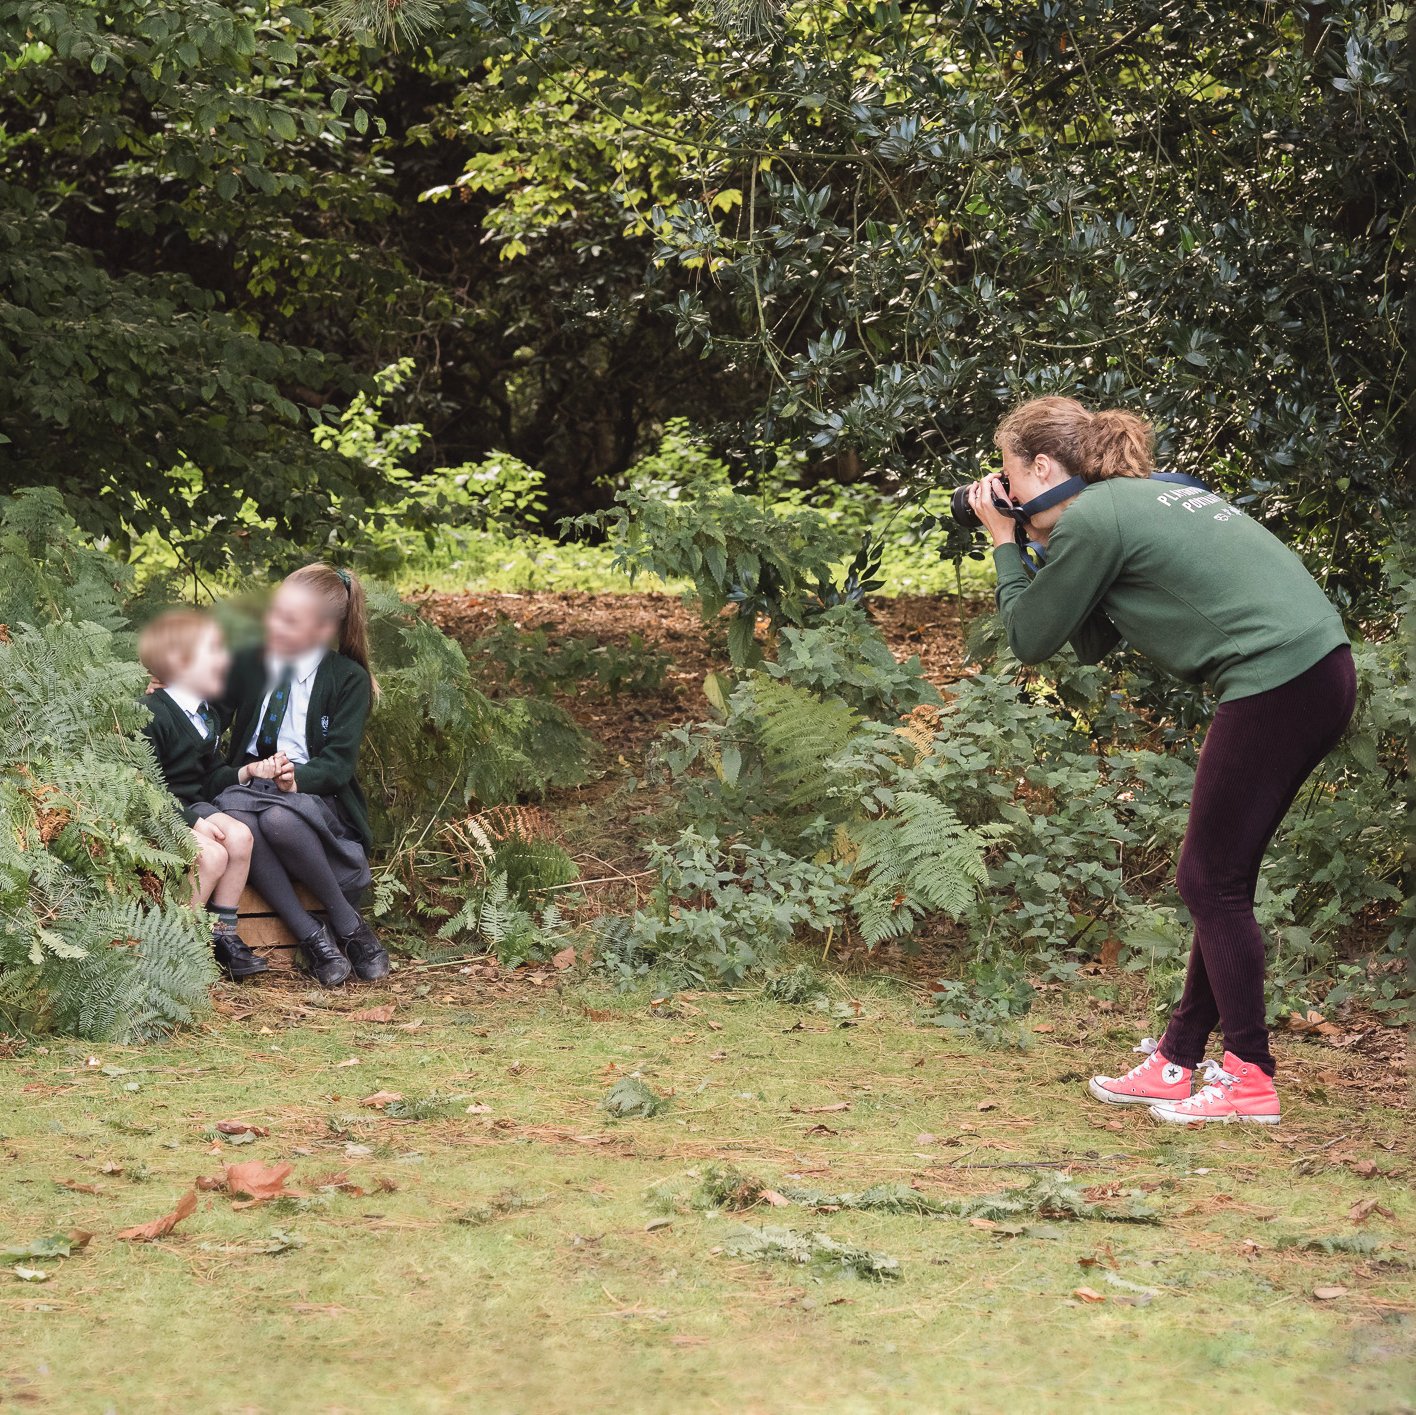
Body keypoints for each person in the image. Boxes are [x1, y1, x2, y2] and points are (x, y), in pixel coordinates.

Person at [968, 395, 1354, 1127]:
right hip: (1316, 667)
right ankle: (1178, 1060)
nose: (1006, 493)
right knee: (1221, 877)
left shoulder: (1092, 517)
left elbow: (1029, 638)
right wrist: (1034, 543)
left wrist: (1001, 543)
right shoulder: (1137, 500)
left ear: (1044, 466)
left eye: (1011, 478)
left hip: (1278, 676)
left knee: (1208, 878)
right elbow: (1088, 639)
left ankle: (1249, 1075)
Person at [208, 564, 390, 989]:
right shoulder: (252, 663)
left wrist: (296, 780)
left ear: (324, 628)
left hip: (313, 796)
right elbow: (210, 712)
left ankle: (344, 926)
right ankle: (317, 936)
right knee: (247, 821)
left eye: (289, 620)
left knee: (277, 818)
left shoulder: (348, 679)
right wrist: (168, 694)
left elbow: (339, 765)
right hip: (250, 786)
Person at [137, 611, 269, 981]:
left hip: (191, 806)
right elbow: (144, 788)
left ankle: (223, 936)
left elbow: (209, 778)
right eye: (213, 651)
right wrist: (193, 823)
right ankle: (173, 948)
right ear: (180, 663)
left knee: (241, 837)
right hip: (159, 813)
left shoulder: (205, 716)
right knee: (211, 856)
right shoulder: (149, 714)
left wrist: (246, 771)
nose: (223, 660)